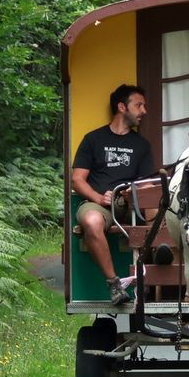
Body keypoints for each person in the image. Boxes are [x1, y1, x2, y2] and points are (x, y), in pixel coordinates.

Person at [72, 84, 154, 305]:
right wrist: (98, 198)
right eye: (139, 105)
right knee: (90, 220)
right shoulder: (93, 139)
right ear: (121, 107)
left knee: (162, 213)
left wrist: (133, 193)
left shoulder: (142, 145)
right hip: (99, 203)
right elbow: (77, 179)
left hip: (130, 204)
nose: (144, 111)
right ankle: (115, 285)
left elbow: (148, 185)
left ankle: (153, 283)